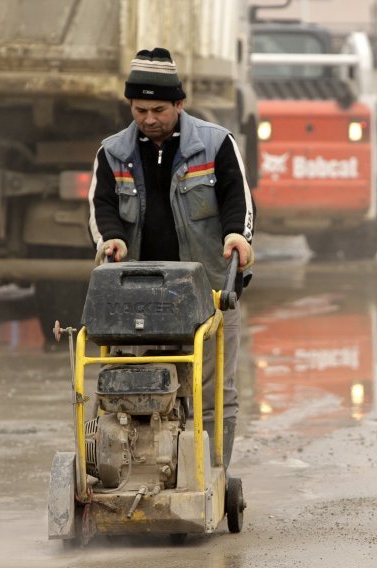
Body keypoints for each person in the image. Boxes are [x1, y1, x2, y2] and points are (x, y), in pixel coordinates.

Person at [88, 47, 255, 472]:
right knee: (131, 388)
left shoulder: (216, 144)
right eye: (139, 108)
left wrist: (238, 234)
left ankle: (212, 474)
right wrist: (110, 240)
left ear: (179, 104)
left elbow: (239, 199)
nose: (148, 118)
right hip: (138, 297)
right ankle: (134, 470)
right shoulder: (112, 153)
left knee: (214, 392)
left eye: (158, 108)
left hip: (207, 292)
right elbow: (101, 206)